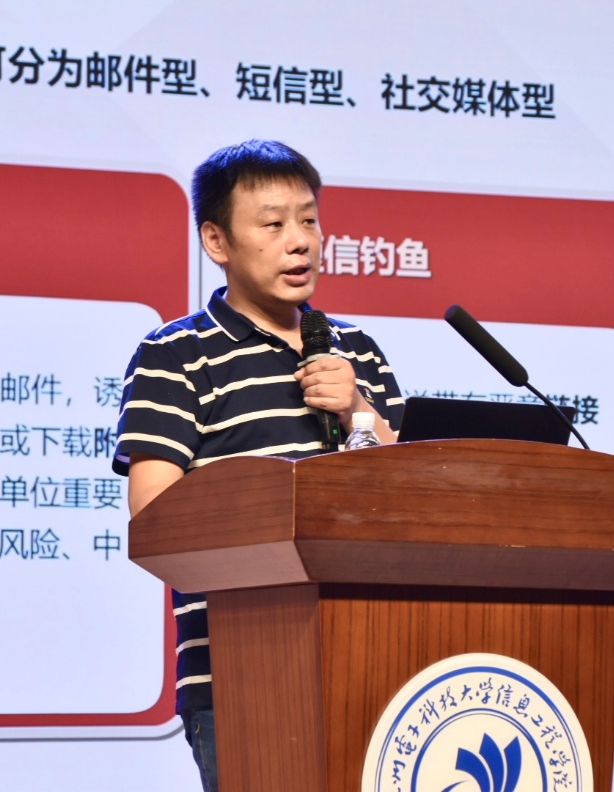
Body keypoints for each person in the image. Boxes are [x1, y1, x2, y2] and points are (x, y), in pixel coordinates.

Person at [112, 140, 404, 792]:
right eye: (272, 225)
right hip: (239, 670)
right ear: (216, 241)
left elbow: (408, 495)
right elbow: (154, 519)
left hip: (375, 656)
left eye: (309, 220)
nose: (299, 242)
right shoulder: (175, 355)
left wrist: (358, 409)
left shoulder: (357, 350)